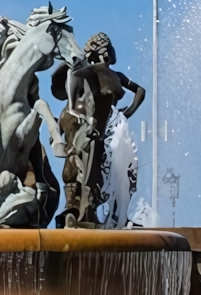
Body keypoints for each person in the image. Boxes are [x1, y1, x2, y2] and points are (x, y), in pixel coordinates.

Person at [51, 32, 146, 227]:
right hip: (82, 121)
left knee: (111, 166)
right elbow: (67, 83)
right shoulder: (89, 73)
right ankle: (74, 206)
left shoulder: (111, 75)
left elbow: (140, 91)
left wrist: (126, 113)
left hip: (100, 124)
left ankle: (106, 211)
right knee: (78, 158)